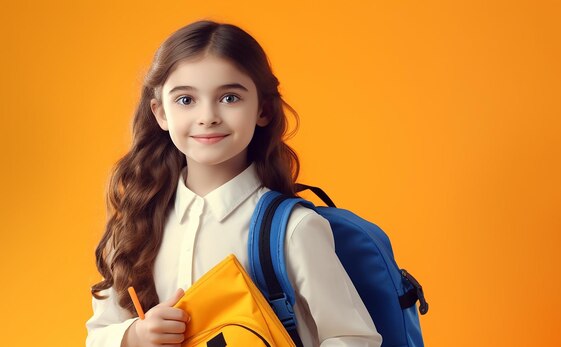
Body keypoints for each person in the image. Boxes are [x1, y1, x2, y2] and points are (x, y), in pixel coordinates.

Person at [85, 19, 382, 347]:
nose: (208, 115)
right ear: (160, 113)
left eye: (229, 98)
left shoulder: (293, 230)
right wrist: (135, 336)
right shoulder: (134, 228)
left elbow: (354, 338)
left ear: (263, 110)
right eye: (186, 99)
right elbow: (98, 334)